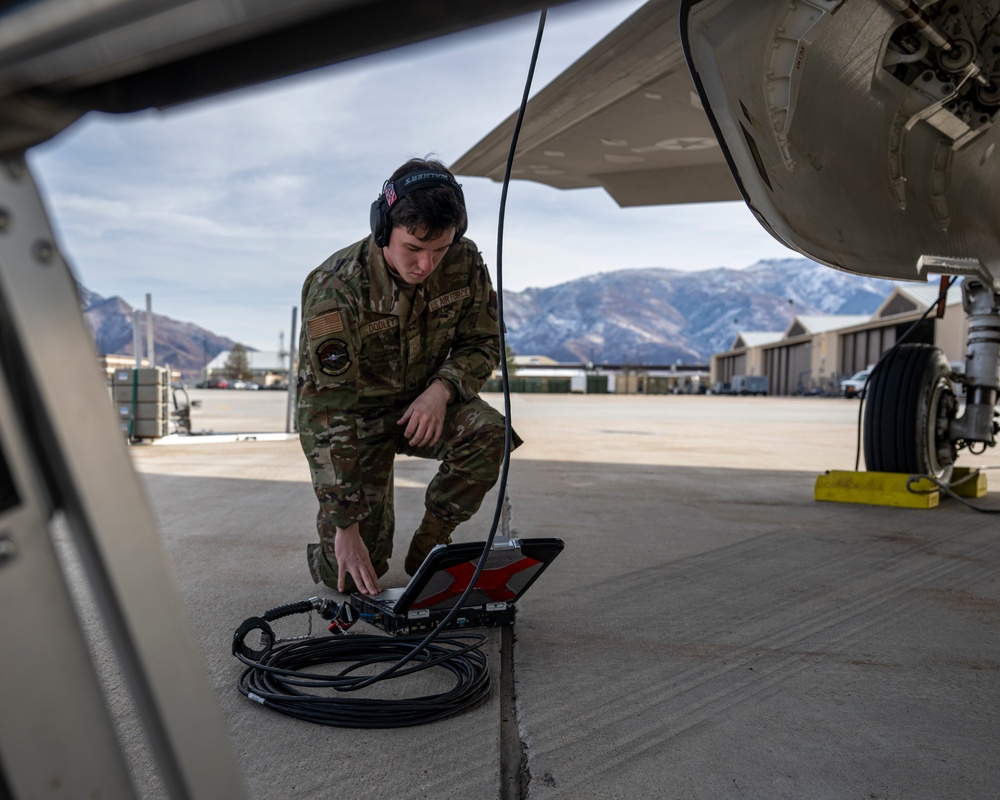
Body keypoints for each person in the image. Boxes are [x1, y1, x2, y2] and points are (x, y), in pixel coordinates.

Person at [297, 157, 517, 595]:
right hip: (356, 423)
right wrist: (345, 525)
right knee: (350, 577)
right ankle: (336, 547)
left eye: (439, 249)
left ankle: (432, 541)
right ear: (383, 230)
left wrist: (443, 388)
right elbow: (324, 411)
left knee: (490, 431)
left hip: (425, 408)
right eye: (413, 249)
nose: (426, 264)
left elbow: (483, 343)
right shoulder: (337, 286)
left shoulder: (465, 261)